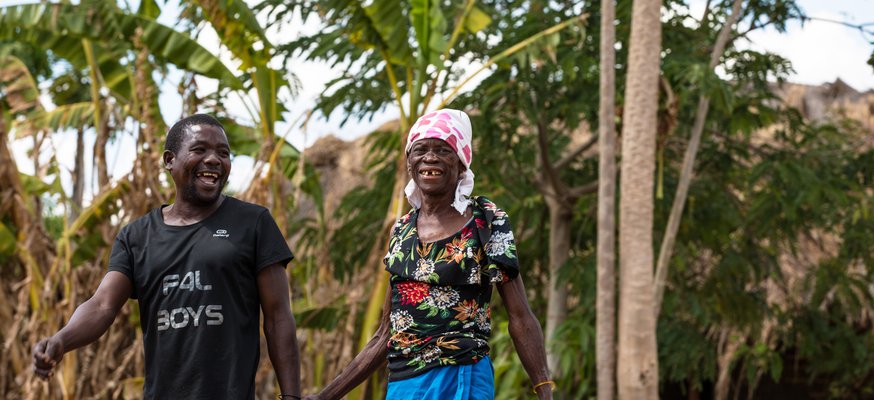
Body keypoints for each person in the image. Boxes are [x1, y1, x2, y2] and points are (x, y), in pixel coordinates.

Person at [32, 114, 301, 399]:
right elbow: (102, 306)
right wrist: (61, 340)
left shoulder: (253, 223)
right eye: (200, 150)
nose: (214, 159)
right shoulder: (137, 237)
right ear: (169, 160)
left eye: (223, 153)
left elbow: (277, 317)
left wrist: (292, 396)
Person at [305, 109, 554, 400]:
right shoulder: (402, 231)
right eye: (420, 150)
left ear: (461, 163)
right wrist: (324, 396)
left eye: (443, 151)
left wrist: (544, 389)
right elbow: (387, 333)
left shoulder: (486, 221)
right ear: (410, 162)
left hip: (462, 375)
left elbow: (520, 316)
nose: (430, 158)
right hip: (404, 383)